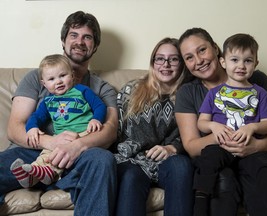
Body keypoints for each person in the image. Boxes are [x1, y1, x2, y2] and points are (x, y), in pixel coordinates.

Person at [0, 11, 118, 216]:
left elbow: (110, 131)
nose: (79, 41)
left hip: (79, 157)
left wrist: (76, 146)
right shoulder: (36, 78)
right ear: (63, 41)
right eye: (74, 35)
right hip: (32, 153)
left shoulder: (102, 88)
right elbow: (15, 127)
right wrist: (52, 143)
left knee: (103, 160)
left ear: (95, 46)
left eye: (87, 37)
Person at [175, 27, 267, 216]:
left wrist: (255, 145)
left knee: (261, 175)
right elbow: (192, 146)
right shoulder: (189, 92)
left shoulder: (256, 82)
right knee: (222, 180)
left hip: (254, 152)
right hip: (218, 155)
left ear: (216, 49)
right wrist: (222, 135)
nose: (199, 60)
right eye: (189, 57)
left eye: (202, 50)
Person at [114, 37, 194, 216]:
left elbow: (196, 133)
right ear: (153, 62)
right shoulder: (131, 90)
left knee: (181, 167)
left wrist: (173, 147)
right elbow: (115, 130)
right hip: (132, 160)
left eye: (173, 59)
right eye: (160, 58)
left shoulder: (189, 94)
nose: (166, 64)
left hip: (171, 159)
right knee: (130, 177)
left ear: (181, 64)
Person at [10, 54, 107, 187]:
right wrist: (31, 128)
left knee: (60, 151)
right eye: (51, 79)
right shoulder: (48, 101)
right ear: (44, 84)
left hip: (83, 133)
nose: (58, 81)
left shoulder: (82, 91)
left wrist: (96, 119)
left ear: (72, 75)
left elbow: (100, 106)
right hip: (59, 137)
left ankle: (50, 172)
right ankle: (31, 175)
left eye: (62, 76)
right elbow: (36, 116)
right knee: (46, 154)